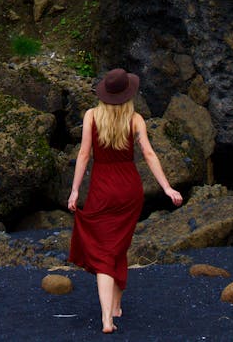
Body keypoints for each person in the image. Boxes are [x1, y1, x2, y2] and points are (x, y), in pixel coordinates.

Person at [67, 67, 183, 334]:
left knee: (106, 250)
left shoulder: (91, 116)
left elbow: (84, 155)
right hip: (130, 190)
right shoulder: (135, 119)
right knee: (118, 245)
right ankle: (116, 307)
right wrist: (166, 187)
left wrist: (75, 191)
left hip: (102, 189)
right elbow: (149, 155)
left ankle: (107, 318)